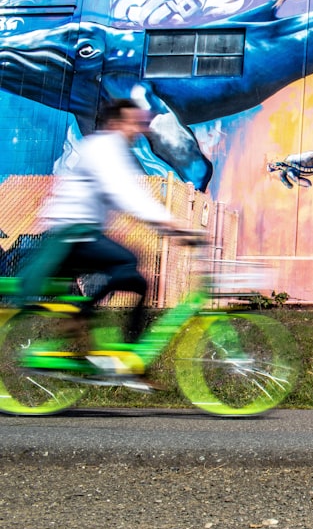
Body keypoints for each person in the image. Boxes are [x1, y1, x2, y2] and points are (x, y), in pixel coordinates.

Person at [17, 96, 187, 368]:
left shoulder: (114, 151)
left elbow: (134, 193)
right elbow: (122, 192)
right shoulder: (103, 147)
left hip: (81, 233)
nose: (138, 130)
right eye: (133, 123)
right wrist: (168, 223)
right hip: (70, 235)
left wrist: (166, 221)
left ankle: (129, 356)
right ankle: (78, 315)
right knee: (126, 261)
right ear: (116, 123)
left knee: (137, 282)